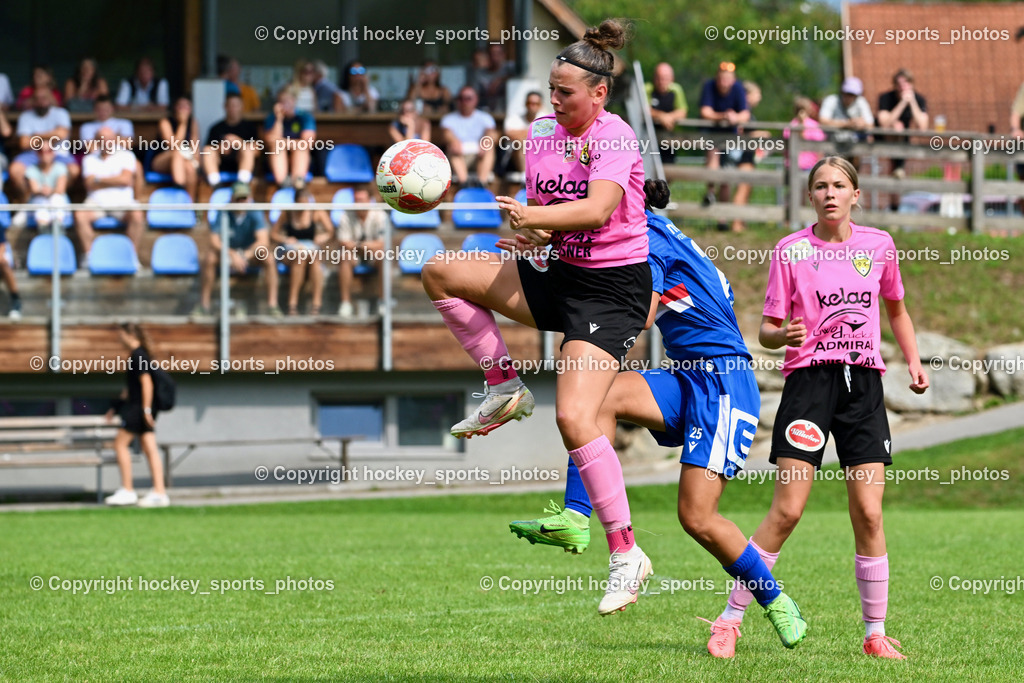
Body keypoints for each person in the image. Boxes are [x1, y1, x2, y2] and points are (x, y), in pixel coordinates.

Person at [507, 179, 807, 650]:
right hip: (686, 375)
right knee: (599, 400)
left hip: (723, 384)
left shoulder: (647, 242)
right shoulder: (647, 230)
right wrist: (547, 249)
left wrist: (553, 272)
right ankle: (576, 514)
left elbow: (637, 312)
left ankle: (776, 601)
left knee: (697, 517)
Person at [422, 19, 658, 609]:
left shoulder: (615, 136)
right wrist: (534, 240)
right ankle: (505, 388)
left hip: (611, 292)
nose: (553, 100)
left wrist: (537, 222)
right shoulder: (543, 132)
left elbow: (600, 210)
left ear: (599, 94)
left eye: (566, 92)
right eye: (551, 89)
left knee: (577, 420)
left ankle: (627, 555)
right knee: (440, 272)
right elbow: (554, 217)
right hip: (558, 273)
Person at [707, 156, 929, 660]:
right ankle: (730, 620)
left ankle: (875, 635)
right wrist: (778, 334)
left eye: (839, 185)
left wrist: (914, 362)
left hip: (863, 387)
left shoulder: (879, 247)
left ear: (856, 194)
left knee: (870, 513)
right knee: (787, 511)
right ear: (810, 196)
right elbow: (765, 328)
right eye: (820, 186)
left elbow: (897, 308)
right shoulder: (791, 251)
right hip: (808, 385)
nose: (830, 193)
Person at [104, 323, 170, 508]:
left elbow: (146, 383)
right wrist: (115, 407)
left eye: (121, 334)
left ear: (130, 334)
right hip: (140, 407)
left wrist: (146, 410)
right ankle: (159, 492)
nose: (119, 338)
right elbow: (131, 388)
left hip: (138, 409)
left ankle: (127, 490)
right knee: (150, 448)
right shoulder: (140, 355)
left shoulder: (137, 355)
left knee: (119, 444)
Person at [197, 182, 280, 317]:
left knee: (269, 257)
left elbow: (263, 240)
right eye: (238, 198)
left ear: (249, 198)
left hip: (249, 254)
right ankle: (203, 305)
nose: (241, 202)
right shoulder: (223, 212)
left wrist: (244, 256)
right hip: (228, 252)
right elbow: (214, 241)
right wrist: (232, 254)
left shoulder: (255, 212)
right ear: (232, 198)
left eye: (244, 198)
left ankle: (273, 305)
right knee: (209, 258)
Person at [76, 127, 145, 262]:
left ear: (115, 139)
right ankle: (89, 258)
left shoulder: (127, 155)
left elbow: (125, 180)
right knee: (79, 214)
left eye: (109, 138)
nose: (106, 141)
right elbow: (89, 183)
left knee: (137, 213)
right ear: (97, 141)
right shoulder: (89, 159)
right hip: (97, 203)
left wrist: (98, 179)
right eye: (102, 138)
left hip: (122, 203)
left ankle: (132, 258)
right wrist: (116, 179)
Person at [8, 87, 78, 205]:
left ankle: (58, 198)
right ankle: (29, 202)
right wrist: (52, 134)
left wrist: (36, 135)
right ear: (33, 101)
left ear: (51, 99)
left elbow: (61, 135)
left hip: (58, 153)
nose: (41, 101)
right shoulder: (26, 116)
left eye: (44, 98)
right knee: (15, 170)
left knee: (74, 170)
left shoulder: (61, 113)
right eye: (37, 98)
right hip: (32, 154)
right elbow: (24, 143)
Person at [271, 182, 331, 315]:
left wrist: (322, 237)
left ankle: (316, 304)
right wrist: (286, 239)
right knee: (299, 258)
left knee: (314, 260)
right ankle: (292, 304)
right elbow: (273, 234)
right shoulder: (287, 213)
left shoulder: (316, 213)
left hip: (310, 251)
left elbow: (330, 231)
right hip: (290, 251)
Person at [699, 61, 749, 207]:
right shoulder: (709, 86)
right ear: (717, 77)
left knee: (727, 176)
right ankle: (710, 193)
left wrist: (735, 117)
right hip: (712, 136)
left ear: (733, 79)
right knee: (712, 159)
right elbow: (705, 112)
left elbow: (745, 114)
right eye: (721, 78)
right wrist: (723, 116)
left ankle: (723, 218)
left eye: (727, 78)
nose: (724, 82)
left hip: (731, 138)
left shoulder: (738, 88)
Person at [877, 69, 928, 208]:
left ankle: (898, 168)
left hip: (902, 142)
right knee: (896, 127)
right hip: (883, 138)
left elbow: (922, 126)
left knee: (900, 130)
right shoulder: (886, 97)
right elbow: (883, 123)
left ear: (911, 84)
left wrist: (911, 103)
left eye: (906, 83)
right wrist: (901, 105)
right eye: (899, 83)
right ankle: (898, 167)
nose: (902, 87)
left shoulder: (918, 99)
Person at [336, 184, 386, 318]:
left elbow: (382, 243)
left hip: (372, 255)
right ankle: (345, 303)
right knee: (344, 257)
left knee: (384, 256)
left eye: (362, 200)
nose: (358, 203)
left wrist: (358, 245)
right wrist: (365, 246)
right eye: (356, 200)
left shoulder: (380, 215)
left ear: (370, 200)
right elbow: (343, 242)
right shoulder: (346, 215)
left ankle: (383, 302)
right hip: (354, 255)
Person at [441, 86, 497, 186]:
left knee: (489, 147)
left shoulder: (485, 117)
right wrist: (454, 141)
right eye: (461, 98)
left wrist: (485, 141)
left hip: (479, 156)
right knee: (452, 147)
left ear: (476, 100)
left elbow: (492, 133)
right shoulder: (448, 118)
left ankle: (482, 184)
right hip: (459, 156)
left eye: (468, 98)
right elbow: (446, 134)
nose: (464, 102)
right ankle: (464, 184)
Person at [202, 93, 258, 187]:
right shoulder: (216, 128)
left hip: (243, 167)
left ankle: (242, 185)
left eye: (236, 105)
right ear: (225, 107)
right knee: (207, 150)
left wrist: (239, 143)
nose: (233, 109)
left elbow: (257, 151)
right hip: (221, 167)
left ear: (242, 107)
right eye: (230, 105)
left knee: (248, 149)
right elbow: (207, 151)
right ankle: (216, 185)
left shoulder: (249, 127)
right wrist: (221, 148)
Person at [263, 89, 316, 186]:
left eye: (287, 100)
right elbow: (269, 142)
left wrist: (282, 142)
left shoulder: (304, 117)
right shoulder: (272, 118)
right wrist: (279, 119)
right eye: (281, 101)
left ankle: (298, 183)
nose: (284, 104)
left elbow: (308, 143)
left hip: (300, 158)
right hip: (276, 160)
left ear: (294, 101)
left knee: (301, 148)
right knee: (277, 148)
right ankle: (283, 184)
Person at [151, 96, 200, 199]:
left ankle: (189, 207)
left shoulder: (193, 123)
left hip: (184, 161)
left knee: (190, 168)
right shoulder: (165, 122)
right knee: (177, 154)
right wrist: (183, 124)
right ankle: (180, 188)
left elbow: (195, 147)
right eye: (181, 106)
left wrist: (196, 161)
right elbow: (173, 146)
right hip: (162, 160)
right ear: (174, 108)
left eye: (187, 107)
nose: (183, 109)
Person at [645, 62, 687, 165]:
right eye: (659, 77)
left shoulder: (676, 90)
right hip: (648, 138)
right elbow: (643, 109)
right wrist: (661, 116)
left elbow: (682, 111)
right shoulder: (647, 89)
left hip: (669, 138)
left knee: (669, 169)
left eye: (665, 78)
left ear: (672, 78)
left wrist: (668, 117)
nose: (661, 81)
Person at [502, 91, 546, 184]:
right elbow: (509, 134)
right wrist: (535, 132)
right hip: (514, 160)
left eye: (536, 103)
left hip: (539, 157)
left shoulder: (546, 119)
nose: (532, 106)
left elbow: (550, 138)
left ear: (540, 105)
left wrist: (523, 133)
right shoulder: (514, 118)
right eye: (529, 103)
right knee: (522, 143)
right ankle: (525, 178)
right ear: (525, 104)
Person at [24, 142, 70, 228]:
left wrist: (49, 191)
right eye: (41, 151)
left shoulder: (61, 167)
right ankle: (45, 230)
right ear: (37, 153)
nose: (45, 154)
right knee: (40, 201)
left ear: (54, 153)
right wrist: (43, 191)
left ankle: (56, 229)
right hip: (39, 202)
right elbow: (34, 190)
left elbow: (61, 189)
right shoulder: (31, 169)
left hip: (56, 201)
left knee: (56, 199)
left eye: (49, 151)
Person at [785, 96, 827, 172]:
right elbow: (820, 149)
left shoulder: (790, 126)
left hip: (792, 165)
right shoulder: (814, 126)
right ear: (809, 109)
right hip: (810, 166)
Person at [473, 43, 515, 113]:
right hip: (486, 112)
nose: (495, 57)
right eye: (492, 54)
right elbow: (474, 93)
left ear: (504, 54)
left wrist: (501, 80)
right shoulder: (480, 74)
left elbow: (522, 76)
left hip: (509, 111)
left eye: (498, 53)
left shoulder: (510, 67)